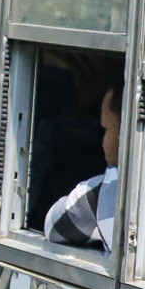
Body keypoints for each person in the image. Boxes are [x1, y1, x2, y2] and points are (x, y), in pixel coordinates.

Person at [43, 88, 122, 250]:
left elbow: (53, 226)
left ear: (127, 135)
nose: (102, 142)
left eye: (106, 129)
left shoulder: (102, 193)